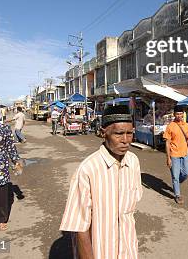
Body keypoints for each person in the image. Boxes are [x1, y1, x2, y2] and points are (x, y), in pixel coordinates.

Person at [60, 104, 142, 259]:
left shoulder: (134, 162)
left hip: (128, 250)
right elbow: (80, 226)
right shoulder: (87, 169)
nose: (125, 140)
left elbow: (129, 212)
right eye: (118, 134)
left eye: (129, 133)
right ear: (104, 133)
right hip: (100, 252)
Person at [163, 105, 188, 204]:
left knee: (186, 173)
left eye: (181, 113)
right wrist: (168, 158)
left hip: (185, 154)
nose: (179, 115)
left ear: (183, 114)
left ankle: (176, 184)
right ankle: (177, 195)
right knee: (175, 176)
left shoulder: (187, 126)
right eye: (177, 114)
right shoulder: (170, 126)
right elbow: (167, 143)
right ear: (174, 114)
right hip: (174, 155)